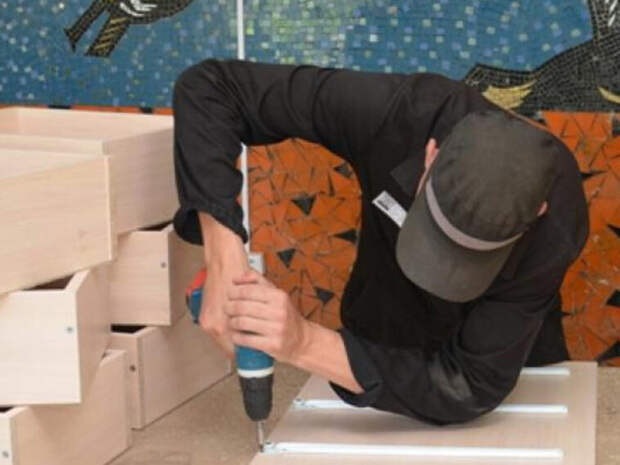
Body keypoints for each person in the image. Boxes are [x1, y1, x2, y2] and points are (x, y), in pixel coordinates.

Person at [171, 58, 588, 425]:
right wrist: (225, 258)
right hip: (375, 342)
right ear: (430, 155)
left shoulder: (559, 217)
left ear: (537, 213)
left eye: (471, 254)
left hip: (506, 369)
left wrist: (305, 342)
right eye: (436, 233)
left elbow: (469, 383)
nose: (443, 269)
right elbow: (210, 87)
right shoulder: (395, 114)